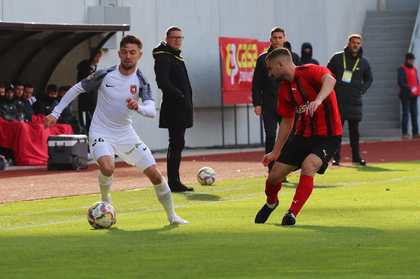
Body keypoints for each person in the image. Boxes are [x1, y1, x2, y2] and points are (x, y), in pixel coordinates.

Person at [43, 34, 188, 225]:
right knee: (108, 167)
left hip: (126, 134)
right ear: (119, 53)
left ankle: (172, 216)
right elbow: (77, 88)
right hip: (100, 132)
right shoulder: (105, 74)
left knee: (156, 175)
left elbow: (152, 111)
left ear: (139, 55)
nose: (128, 56)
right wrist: (55, 113)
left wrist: (138, 108)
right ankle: (105, 200)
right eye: (125, 52)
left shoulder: (142, 81)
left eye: (132, 53)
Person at [254, 47, 342, 226]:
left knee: (308, 165)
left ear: (280, 64)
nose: (269, 74)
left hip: (329, 136)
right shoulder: (284, 90)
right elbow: (287, 122)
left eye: (270, 69)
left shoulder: (309, 71)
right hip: (303, 137)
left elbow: (330, 79)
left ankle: (291, 213)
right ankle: (271, 203)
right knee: (273, 177)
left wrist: (318, 100)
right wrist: (274, 152)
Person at [252, 27, 301, 182]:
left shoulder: (294, 57)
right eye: (275, 37)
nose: (277, 40)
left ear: (285, 39)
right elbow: (257, 83)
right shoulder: (262, 59)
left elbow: (300, 80)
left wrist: (301, 101)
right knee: (271, 135)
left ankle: (283, 170)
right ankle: (272, 169)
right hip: (269, 105)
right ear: (270, 39)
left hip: (289, 105)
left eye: (280, 37)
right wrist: (256, 103)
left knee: (288, 137)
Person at [153, 26, 194, 192]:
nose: (177, 40)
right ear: (167, 39)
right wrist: (180, 95)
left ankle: (174, 180)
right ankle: (174, 182)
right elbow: (162, 82)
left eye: (180, 37)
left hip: (180, 108)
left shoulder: (174, 56)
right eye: (174, 37)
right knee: (176, 144)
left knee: (177, 144)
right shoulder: (164, 58)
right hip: (174, 108)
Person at [327, 34, 373, 166]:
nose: (356, 45)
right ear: (348, 44)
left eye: (358, 43)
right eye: (353, 43)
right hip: (338, 101)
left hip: (354, 102)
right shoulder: (337, 58)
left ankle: (356, 157)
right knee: (337, 132)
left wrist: (362, 89)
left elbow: (369, 78)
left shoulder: (364, 62)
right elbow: (327, 74)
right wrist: (331, 91)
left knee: (354, 132)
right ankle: (336, 158)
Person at [77, 49, 103, 134]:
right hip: (86, 100)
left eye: (99, 57)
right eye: (96, 56)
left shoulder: (94, 68)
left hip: (93, 99)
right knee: (88, 122)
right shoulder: (85, 69)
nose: (98, 59)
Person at [398, 53, 420, 139]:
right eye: (410, 59)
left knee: (415, 114)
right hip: (406, 95)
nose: (412, 61)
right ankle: (405, 132)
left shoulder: (414, 69)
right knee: (406, 114)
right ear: (407, 59)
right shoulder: (402, 69)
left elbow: (416, 81)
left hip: (414, 95)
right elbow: (401, 82)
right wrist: (409, 89)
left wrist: (417, 89)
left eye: (413, 59)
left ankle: (415, 132)